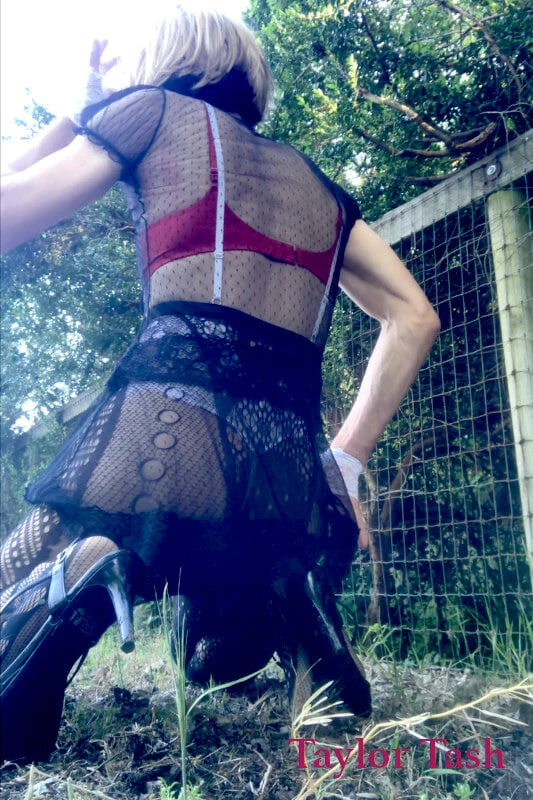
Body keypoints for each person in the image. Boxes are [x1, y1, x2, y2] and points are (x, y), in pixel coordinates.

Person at [0, 6, 440, 764]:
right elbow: (415, 317)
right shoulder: (318, 184)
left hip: (160, 437)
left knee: (20, 563)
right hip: (287, 486)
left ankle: (67, 580)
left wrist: (75, 117)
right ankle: (303, 620)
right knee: (210, 656)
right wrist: (344, 464)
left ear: (166, 60)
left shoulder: (146, 112)